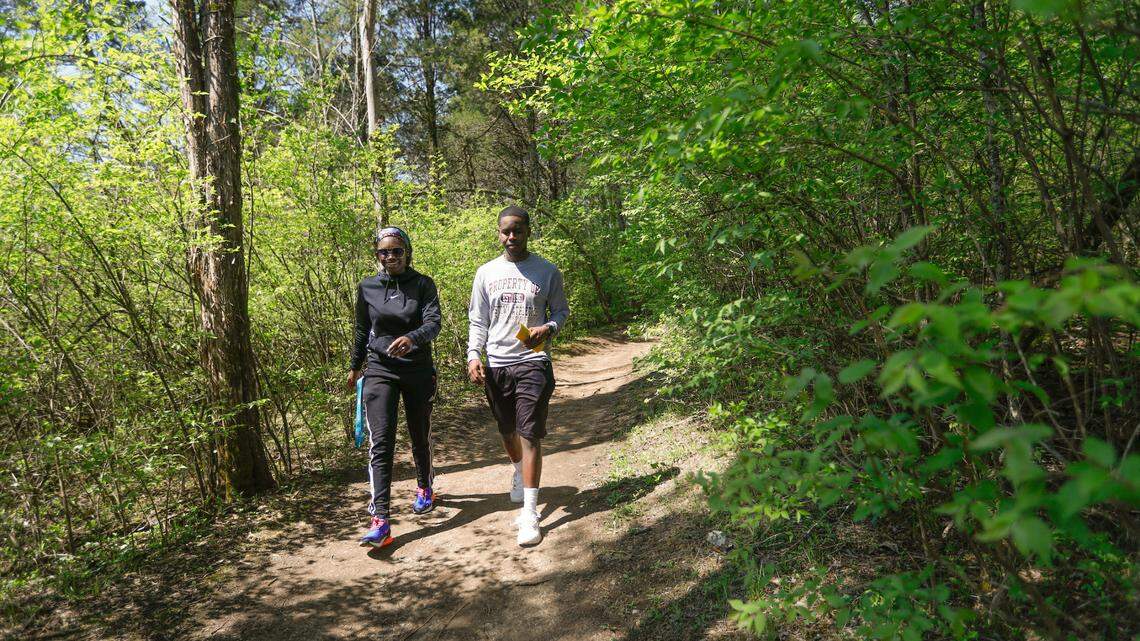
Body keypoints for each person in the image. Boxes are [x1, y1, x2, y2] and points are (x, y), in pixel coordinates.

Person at [466, 206, 570, 546]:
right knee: (507, 430)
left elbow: (561, 310)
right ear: (498, 233)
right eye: (506, 231)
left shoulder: (547, 270)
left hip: (533, 360)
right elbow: (478, 320)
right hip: (497, 363)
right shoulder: (486, 273)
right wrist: (473, 355)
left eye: (518, 231)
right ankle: (517, 470)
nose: (512, 237)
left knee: (529, 433)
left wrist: (550, 327)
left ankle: (530, 512)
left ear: (528, 232)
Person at [349, 226, 442, 548]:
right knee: (381, 443)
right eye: (383, 252)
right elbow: (362, 329)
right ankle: (381, 520)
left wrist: (412, 338)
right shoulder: (367, 287)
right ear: (377, 255)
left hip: (417, 370)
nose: (390, 257)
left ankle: (424, 486)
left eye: (396, 251)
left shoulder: (423, 284)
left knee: (419, 434)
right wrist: (353, 366)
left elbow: (434, 323)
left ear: (407, 251)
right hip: (379, 370)